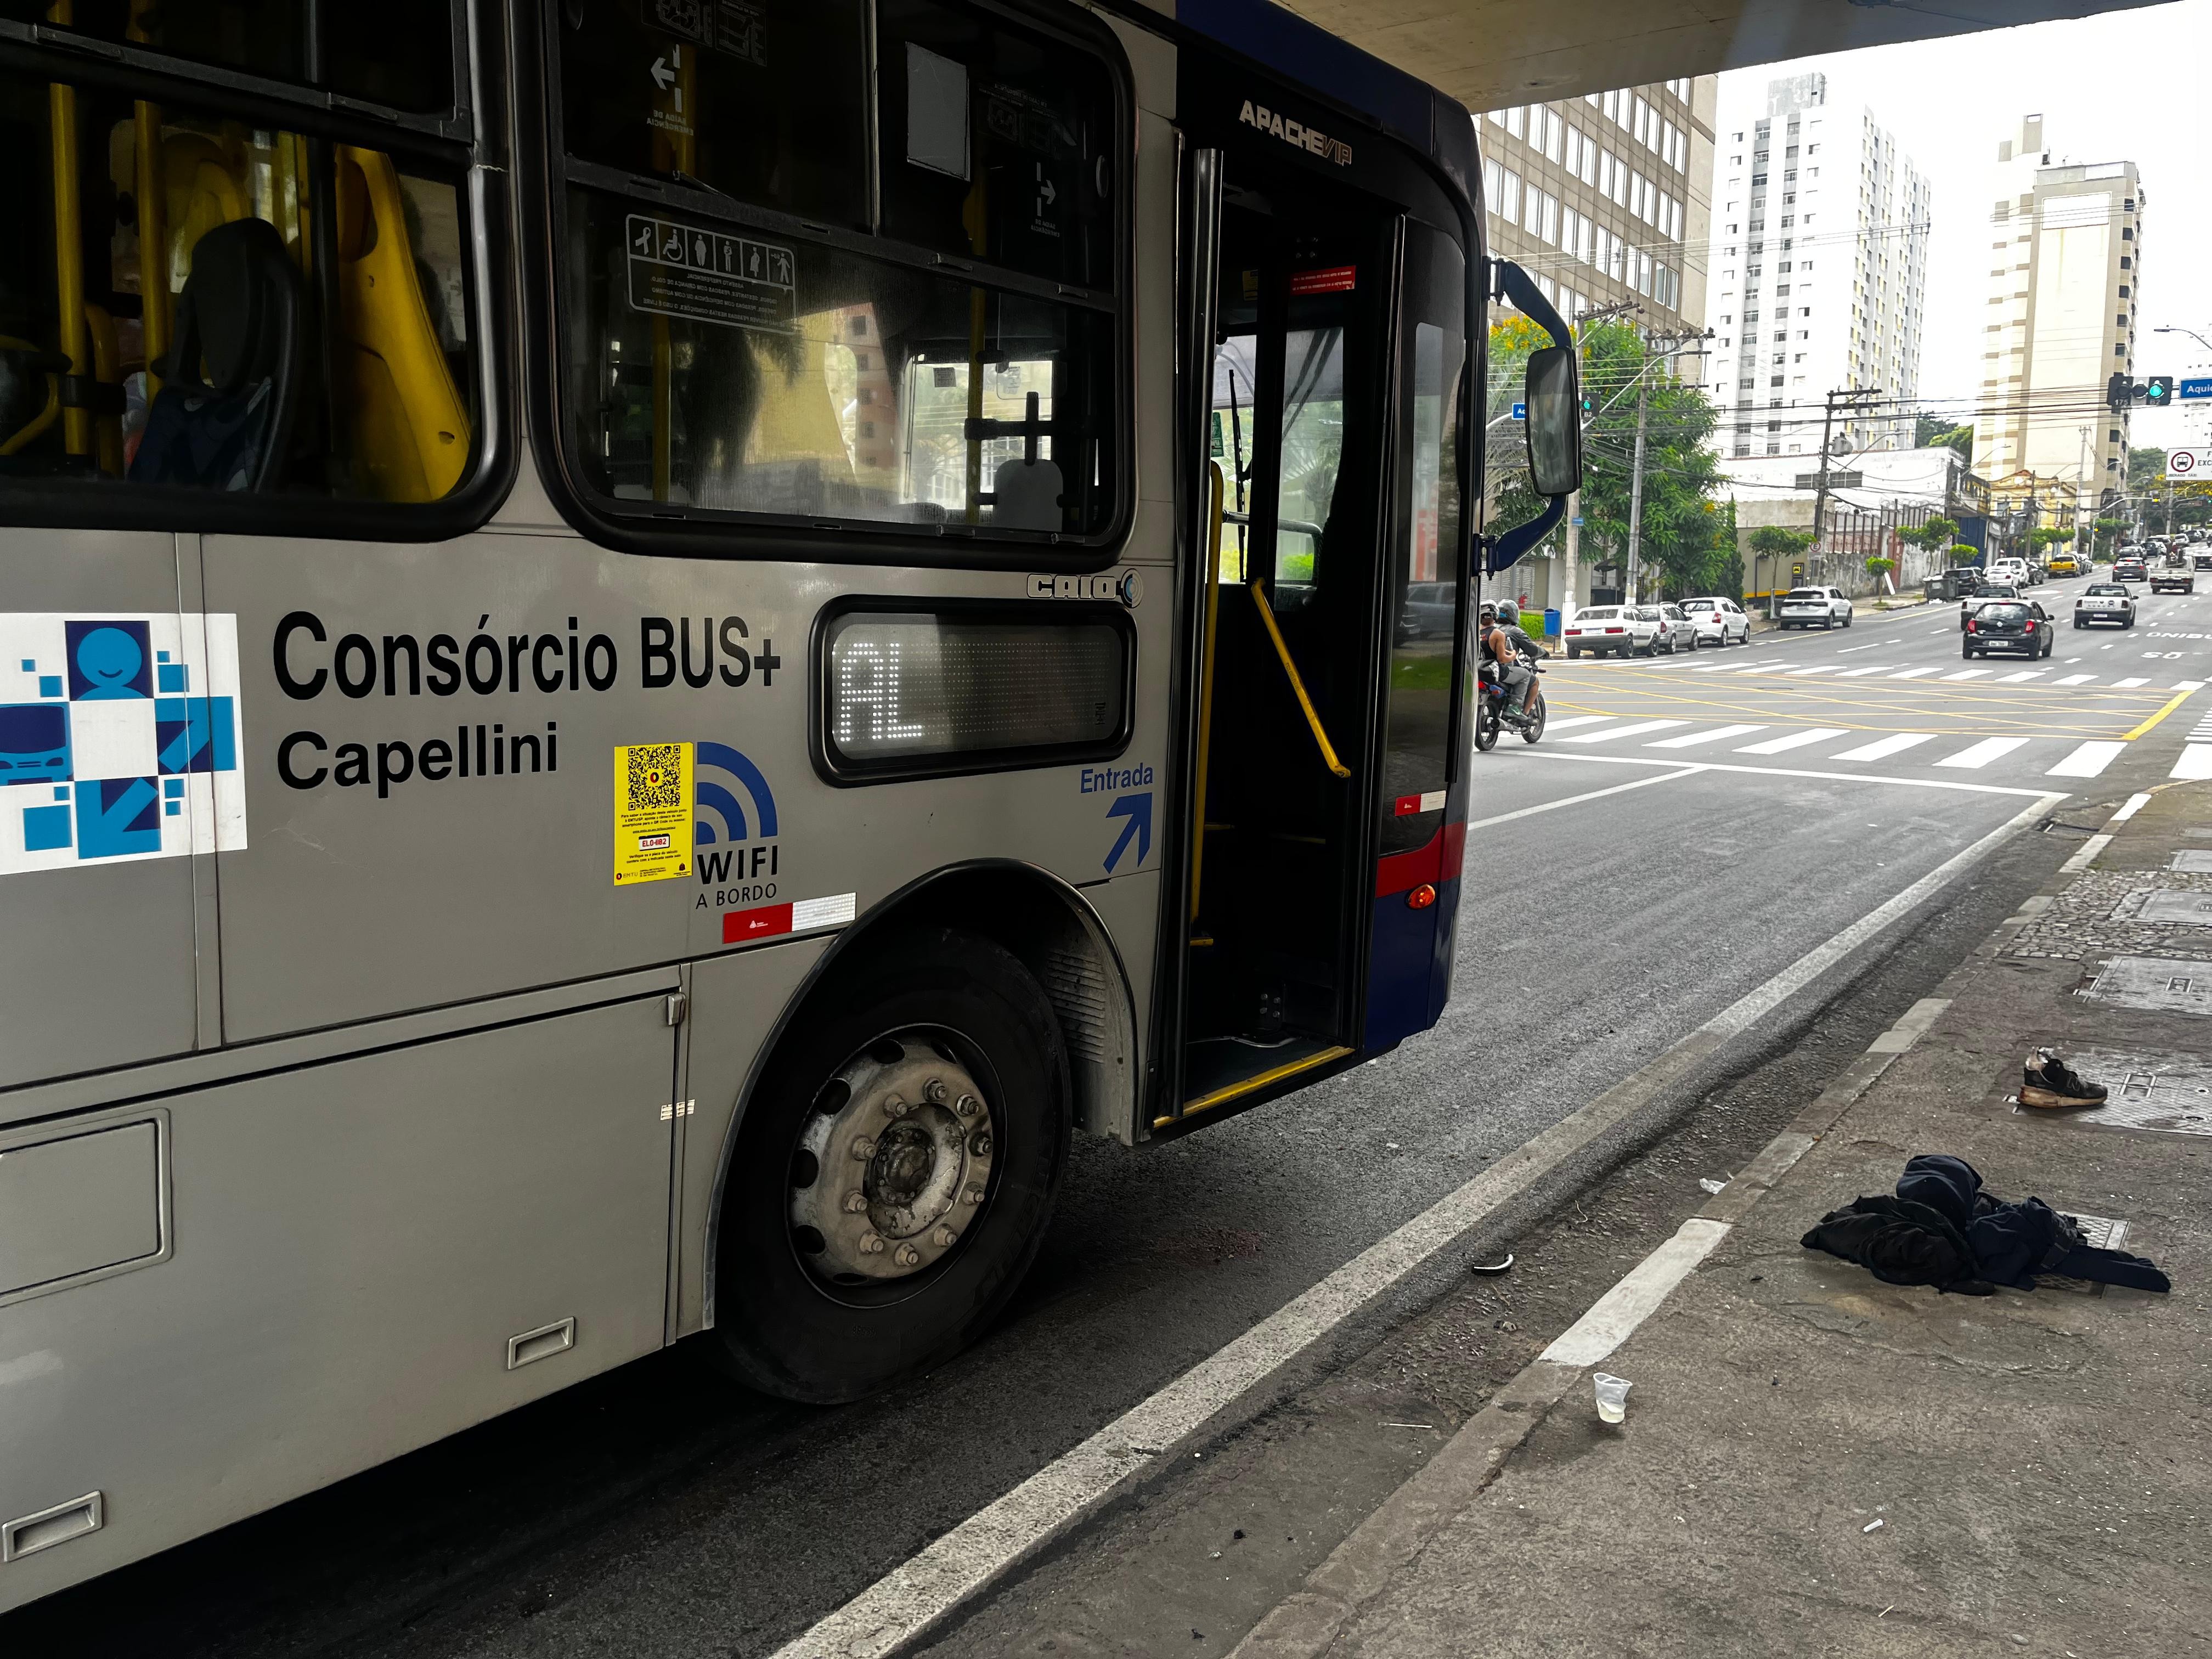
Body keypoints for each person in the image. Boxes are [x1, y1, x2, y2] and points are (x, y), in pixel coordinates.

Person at [1479, 601, 1534, 728]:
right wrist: (1513, 655)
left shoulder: (1475, 632)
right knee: (1525, 675)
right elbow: (1502, 659)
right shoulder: (1498, 634)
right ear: (1495, 616)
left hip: (1479, 669)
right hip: (1496, 671)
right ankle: (1514, 707)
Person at [1493, 599, 1546, 717]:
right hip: (1503, 668)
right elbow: (1532, 649)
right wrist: (1544, 652)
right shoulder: (1514, 631)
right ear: (1513, 614)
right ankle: (1515, 708)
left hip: (1487, 668)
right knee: (1529, 678)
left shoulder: (1490, 628)